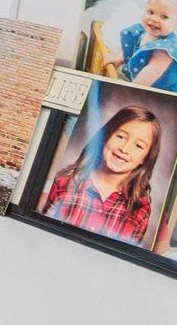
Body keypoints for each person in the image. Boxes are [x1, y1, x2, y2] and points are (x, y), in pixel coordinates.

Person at [38, 102, 164, 245]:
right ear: (105, 137)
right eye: (121, 136)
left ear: (145, 159)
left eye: (139, 146)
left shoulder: (140, 207)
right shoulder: (65, 181)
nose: (125, 148)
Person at [112, 0, 177, 94]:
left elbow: (153, 71)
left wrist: (132, 90)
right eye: (150, 12)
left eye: (164, 17)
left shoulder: (166, 47)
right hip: (143, 84)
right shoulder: (142, 32)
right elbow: (133, 50)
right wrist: (120, 58)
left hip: (163, 93)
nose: (154, 19)